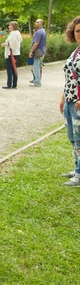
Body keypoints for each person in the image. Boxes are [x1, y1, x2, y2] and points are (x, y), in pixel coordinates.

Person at [60, 16, 80, 187]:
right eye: (78, 30)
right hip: (69, 101)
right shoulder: (76, 52)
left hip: (78, 103)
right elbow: (69, 79)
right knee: (73, 138)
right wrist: (62, 98)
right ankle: (77, 168)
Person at [1, 21, 23, 89]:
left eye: (10, 25)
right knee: (14, 69)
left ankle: (9, 84)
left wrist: (6, 44)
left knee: (10, 69)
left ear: (13, 26)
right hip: (16, 53)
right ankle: (14, 84)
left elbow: (13, 44)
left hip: (11, 54)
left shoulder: (13, 34)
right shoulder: (17, 33)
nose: (9, 27)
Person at [30, 19, 47, 87]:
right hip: (42, 51)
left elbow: (36, 43)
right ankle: (36, 80)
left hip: (38, 52)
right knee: (37, 66)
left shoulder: (39, 32)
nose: (35, 23)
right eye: (35, 21)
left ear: (41, 24)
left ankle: (37, 82)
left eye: (37, 22)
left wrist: (31, 51)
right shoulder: (42, 31)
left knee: (36, 67)